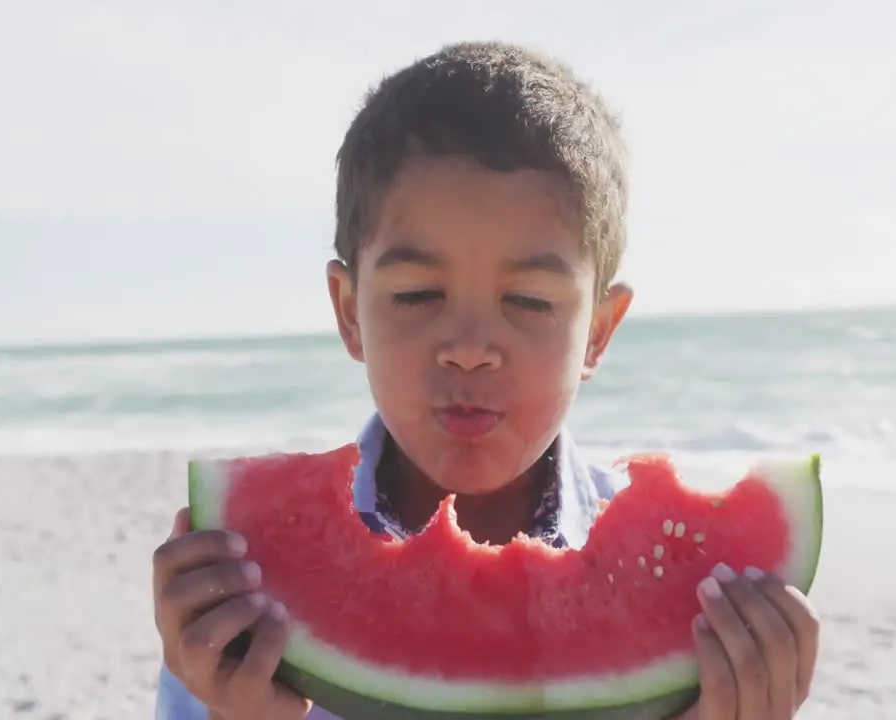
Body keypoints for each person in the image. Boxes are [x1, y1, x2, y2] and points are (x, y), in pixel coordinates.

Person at [150, 40, 821, 720]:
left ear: (598, 330)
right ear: (351, 314)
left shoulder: (691, 605)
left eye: (529, 302)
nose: (469, 350)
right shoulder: (251, 601)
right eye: (416, 295)